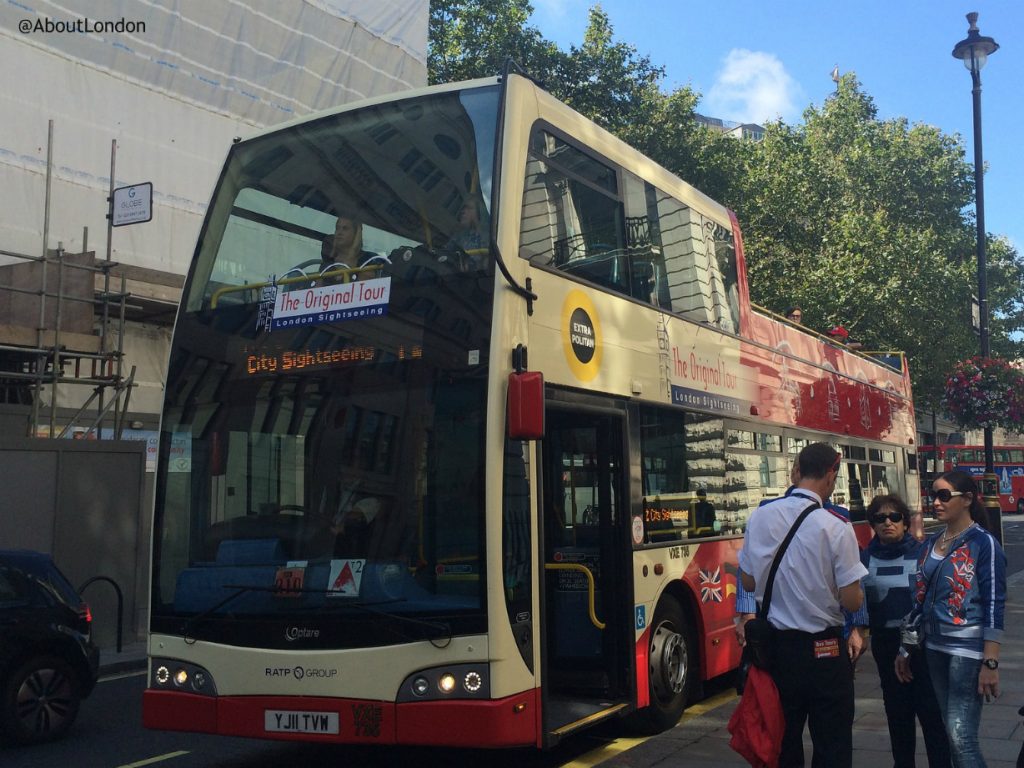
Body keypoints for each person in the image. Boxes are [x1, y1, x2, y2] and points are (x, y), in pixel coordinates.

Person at [738, 442, 867, 768]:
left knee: (782, 741)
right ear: (830, 475)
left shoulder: (760, 517)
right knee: (832, 743)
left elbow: (748, 582)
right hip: (825, 652)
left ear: (797, 470)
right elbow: (852, 601)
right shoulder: (836, 527)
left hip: (778, 652)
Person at [896, 471, 1006, 768]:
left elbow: (995, 602)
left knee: (962, 737)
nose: (936, 502)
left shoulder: (984, 544)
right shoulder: (930, 544)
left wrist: (990, 662)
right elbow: (918, 601)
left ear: (967, 499)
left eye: (944, 496)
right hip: (934, 647)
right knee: (951, 732)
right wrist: (906, 647)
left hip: (967, 651)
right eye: (933, 495)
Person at [734, 461, 868, 663]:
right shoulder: (765, 513)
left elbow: (852, 578)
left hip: (828, 635)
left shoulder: (839, 519)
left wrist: (858, 628)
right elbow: (750, 565)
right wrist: (747, 613)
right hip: (782, 635)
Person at [860, 494, 951, 768]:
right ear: (872, 524)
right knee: (898, 717)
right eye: (880, 518)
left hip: (923, 646)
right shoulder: (863, 560)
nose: (888, 522)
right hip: (887, 646)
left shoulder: (924, 555)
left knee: (931, 716)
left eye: (895, 517)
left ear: (905, 522)